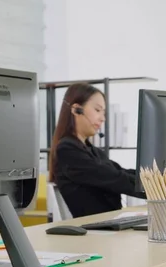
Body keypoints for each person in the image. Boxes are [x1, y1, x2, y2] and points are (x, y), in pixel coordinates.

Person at [49, 83, 145, 218]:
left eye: (103, 112)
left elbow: (120, 172)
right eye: (98, 110)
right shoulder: (67, 150)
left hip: (110, 228)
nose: (102, 118)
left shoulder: (94, 151)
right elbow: (115, 178)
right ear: (76, 110)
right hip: (96, 233)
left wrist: (156, 178)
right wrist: (155, 187)